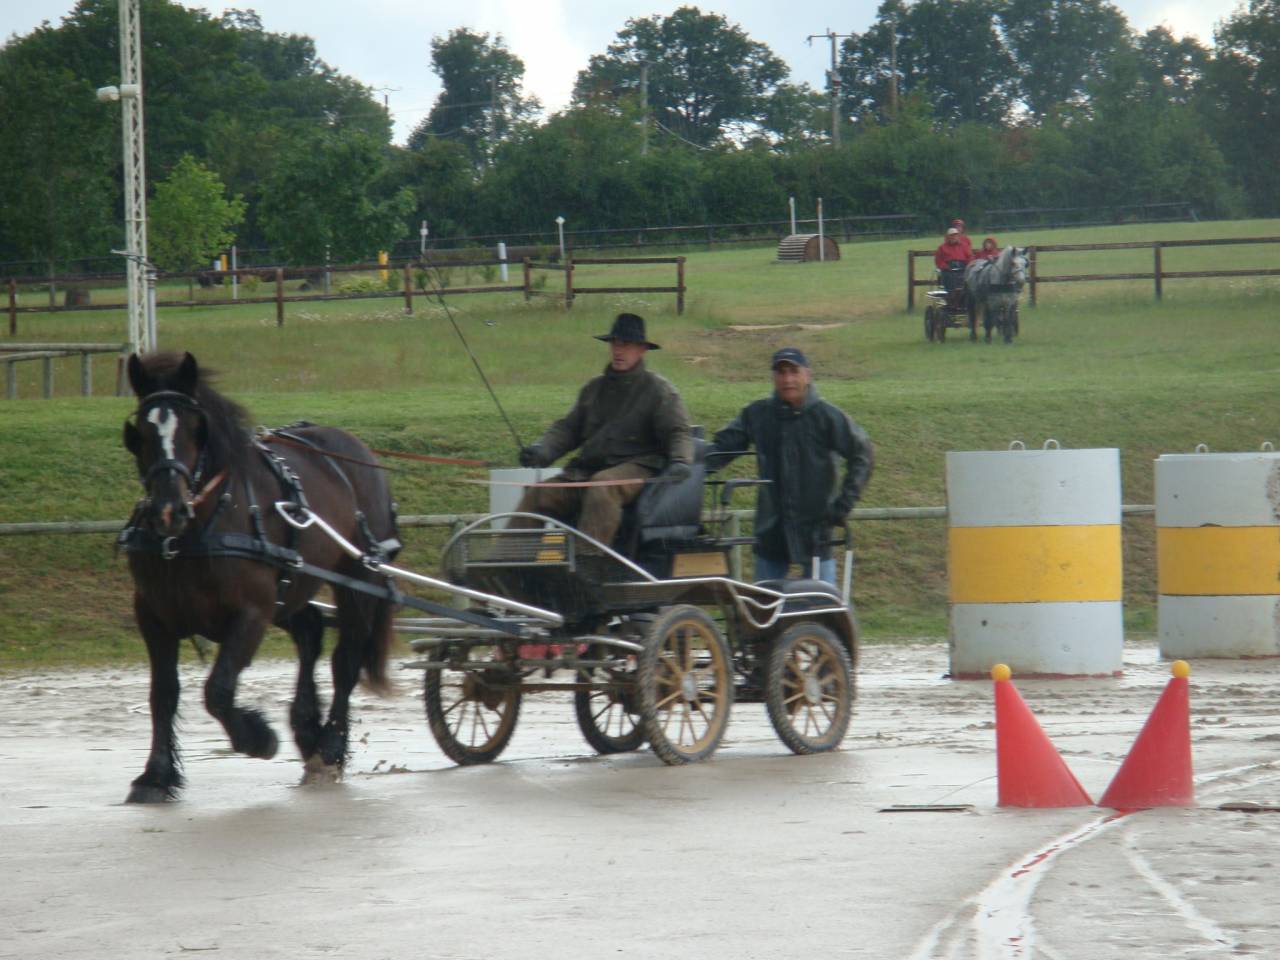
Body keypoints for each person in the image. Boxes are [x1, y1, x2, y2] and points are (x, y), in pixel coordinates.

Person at [513, 312, 693, 546]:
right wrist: (541, 451)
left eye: (626, 345)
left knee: (602, 487)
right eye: (615, 344)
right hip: (587, 473)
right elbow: (568, 429)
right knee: (540, 493)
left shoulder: (659, 391)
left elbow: (678, 431)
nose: (618, 350)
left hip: (638, 468)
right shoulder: (593, 389)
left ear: (642, 350)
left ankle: (587, 561)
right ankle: (508, 563)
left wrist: (681, 461)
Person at [707, 347, 873, 587]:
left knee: (824, 610)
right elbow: (722, 448)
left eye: (793, 372)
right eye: (781, 372)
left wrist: (843, 505)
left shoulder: (828, 417)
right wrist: (686, 464)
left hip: (817, 531)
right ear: (774, 377)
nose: (788, 379)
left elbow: (863, 454)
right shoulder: (757, 414)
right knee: (764, 611)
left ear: (807, 374)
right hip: (771, 531)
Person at [934, 227, 972, 296]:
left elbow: (970, 257)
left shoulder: (964, 246)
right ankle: (950, 298)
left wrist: (968, 266)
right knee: (950, 284)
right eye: (951, 235)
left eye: (955, 235)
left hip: (962, 268)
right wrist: (945, 267)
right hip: (948, 270)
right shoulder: (942, 247)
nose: (954, 237)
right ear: (948, 237)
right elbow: (938, 260)